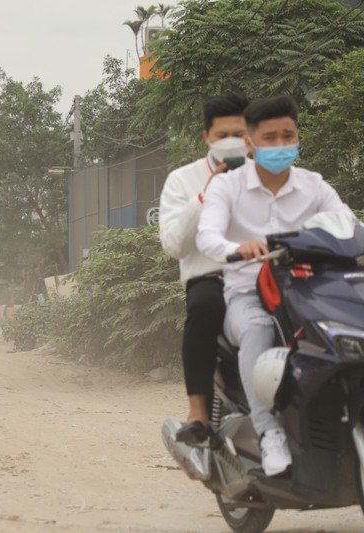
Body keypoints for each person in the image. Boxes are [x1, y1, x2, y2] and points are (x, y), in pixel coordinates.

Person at [197, 95, 353, 476]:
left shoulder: (314, 186)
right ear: (250, 144)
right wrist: (238, 248)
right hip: (248, 294)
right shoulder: (227, 187)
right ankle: (270, 433)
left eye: (289, 135)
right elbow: (207, 237)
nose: (281, 145)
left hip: (308, 291)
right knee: (257, 329)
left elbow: (347, 224)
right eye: (270, 138)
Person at [159, 92, 250, 446]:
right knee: (204, 307)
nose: (233, 142)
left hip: (261, 273)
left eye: (241, 135)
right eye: (223, 135)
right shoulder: (182, 180)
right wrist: (204, 197)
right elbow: (174, 245)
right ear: (207, 138)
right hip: (209, 276)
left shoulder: (268, 176)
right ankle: (198, 412)